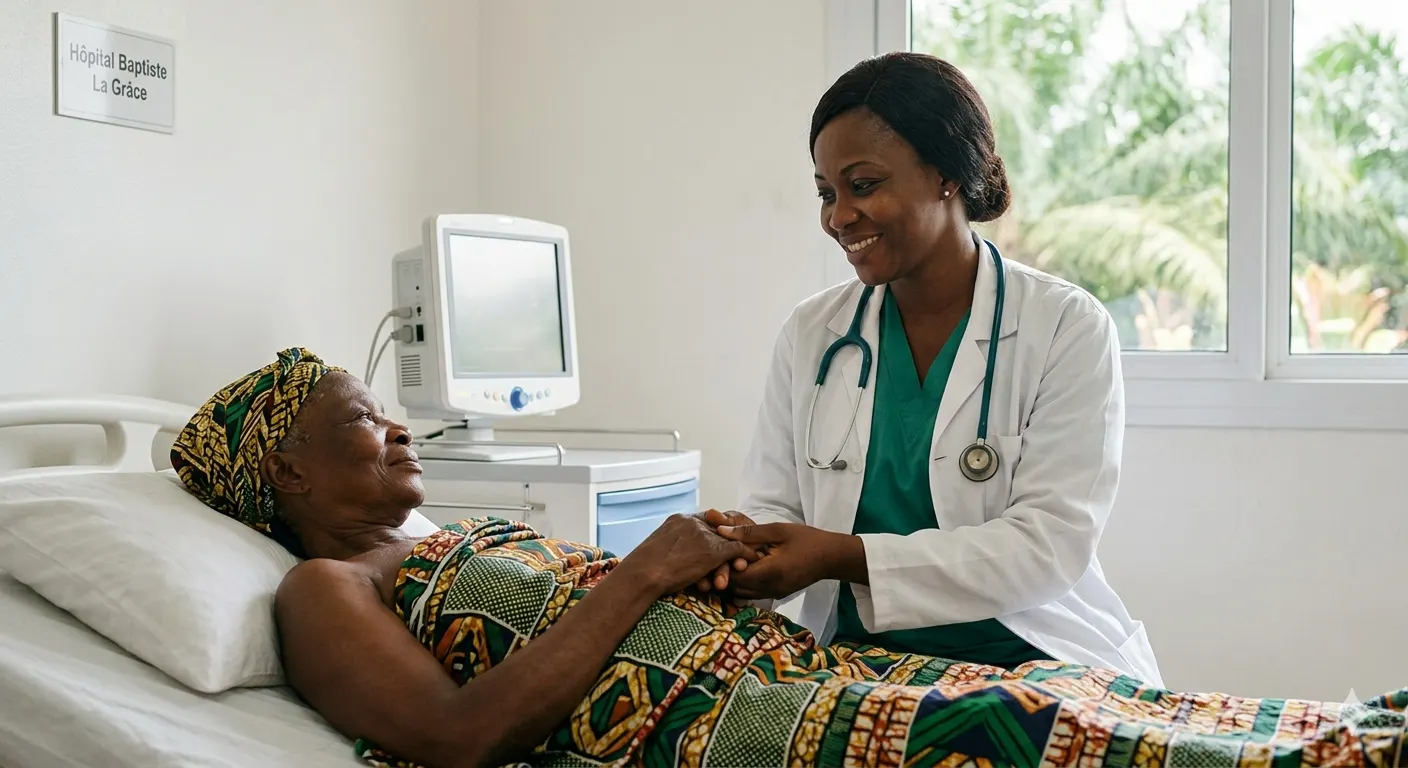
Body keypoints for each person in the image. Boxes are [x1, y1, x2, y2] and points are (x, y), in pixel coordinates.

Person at [171, 348, 1408, 768]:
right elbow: (454, 739)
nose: (394, 425)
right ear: (283, 470)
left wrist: (708, 563)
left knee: (1076, 700)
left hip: (796, 677)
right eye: (358, 419)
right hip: (737, 734)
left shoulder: (459, 538)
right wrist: (644, 574)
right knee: (1029, 736)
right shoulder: (323, 587)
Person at [707, 50, 1163, 687]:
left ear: (946, 172)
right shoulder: (814, 334)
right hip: (850, 660)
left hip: (1030, 657)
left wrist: (841, 556)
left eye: (863, 185)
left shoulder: (1064, 324)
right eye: (826, 193)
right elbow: (774, 507)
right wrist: (735, 547)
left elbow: (1049, 545)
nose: (838, 216)